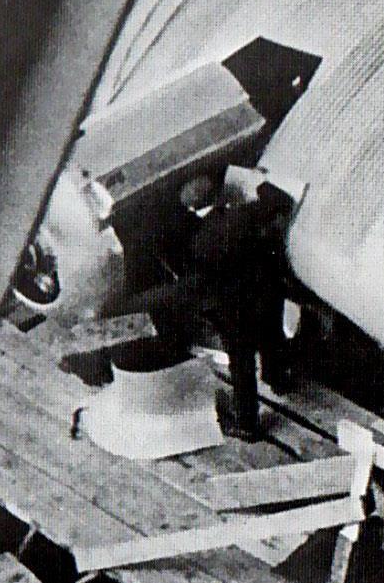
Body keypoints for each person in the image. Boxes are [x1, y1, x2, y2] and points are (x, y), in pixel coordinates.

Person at [111, 175, 298, 440]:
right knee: (271, 336)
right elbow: (279, 200)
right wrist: (262, 186)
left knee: (241, 363)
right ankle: (277, 380)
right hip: (264, 293)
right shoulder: (238, 217)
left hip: (229, 307)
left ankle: (247, 424)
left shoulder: (196, 241)